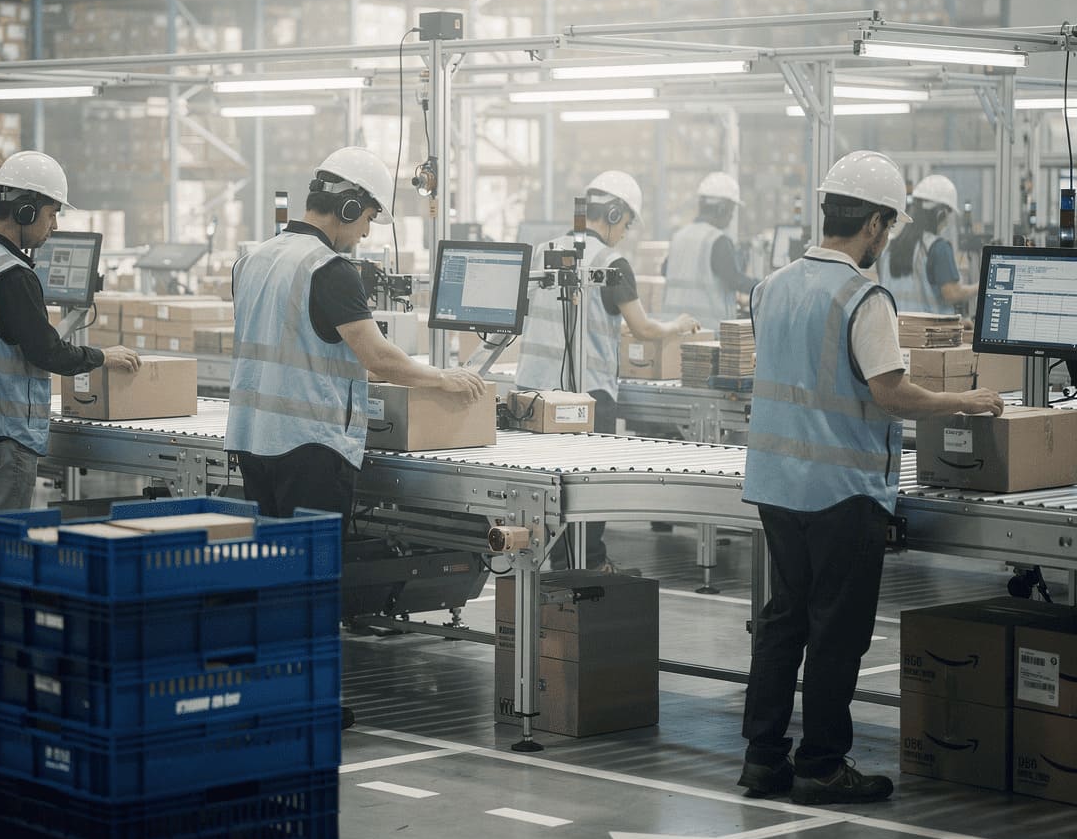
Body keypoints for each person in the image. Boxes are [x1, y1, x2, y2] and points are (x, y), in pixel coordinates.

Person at [739, 149, 1003, 805]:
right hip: (842, 492)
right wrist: (963, 403)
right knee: (836, 633)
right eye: (890, 228)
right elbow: (892, 393)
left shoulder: (769, 286)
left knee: (784, 620)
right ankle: (823, 766)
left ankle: (763, 759)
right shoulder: (865, 296)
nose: (888, 240)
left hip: (776, 487)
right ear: (877, 225)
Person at [0, 151, 141, 614]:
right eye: (50, 213)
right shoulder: (12, 275)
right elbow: (47, 352)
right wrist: (104, 355)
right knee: (1, 553)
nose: (54, 226)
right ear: (24, 211)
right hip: (0, 436)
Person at [226, 145, 489, 528]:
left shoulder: (250, 261)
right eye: (367, 217)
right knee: (312, 574)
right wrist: (444, 378)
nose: (365, 232)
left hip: (252, 441)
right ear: (348, 207)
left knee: (274, 567)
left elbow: (294, 344)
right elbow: (378, 357)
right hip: (309, 448)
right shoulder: (330, 270)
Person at [514, 169, 699, 568]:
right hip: (586, 395)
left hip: (531, 394)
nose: (625, 233)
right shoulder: (612, 262)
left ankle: (552, 565)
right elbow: (643, 329)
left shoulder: (544, 247)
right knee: (587, 487)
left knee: (543, 488)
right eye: (627, 224)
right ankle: (589, 565)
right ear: (614, 214)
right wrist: (679, 326)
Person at [663, 171, 757, 332]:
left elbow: (664, 270)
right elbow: (735, 280)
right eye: (731, 210)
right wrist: (767, 286)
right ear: (721, 209)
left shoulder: (679, 236)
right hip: (706, 333)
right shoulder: (717, 240)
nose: (731, 216)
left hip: (674, 329)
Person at [880, 173, 978, 314]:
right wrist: (981, 287)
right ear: (941, 213)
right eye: (948, 212)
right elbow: (952, 294)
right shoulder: (937, 248)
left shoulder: (889, 246)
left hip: (896, 331)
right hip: (929, 333)